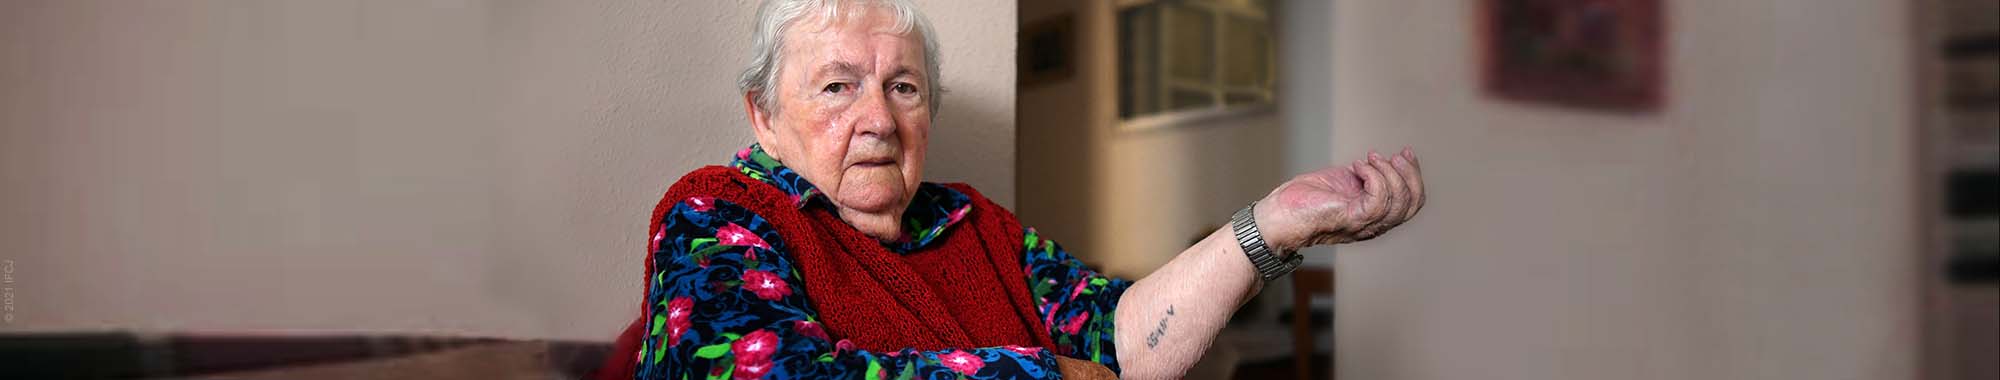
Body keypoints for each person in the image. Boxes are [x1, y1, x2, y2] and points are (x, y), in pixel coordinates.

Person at [603, 1, 1426, 379]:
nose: (878, 121)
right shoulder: (716, 209)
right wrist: (1046, 377)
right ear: (763, 113)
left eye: (905, 88)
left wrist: (1272, 225)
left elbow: (1119, 338)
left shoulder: (970, 221)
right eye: (836, 88)